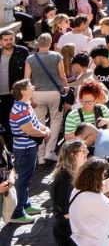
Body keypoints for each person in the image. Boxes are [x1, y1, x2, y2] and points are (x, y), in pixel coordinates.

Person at [8, 79, 48, 224]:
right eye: (30, 86)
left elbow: (35, 123)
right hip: (25, 149)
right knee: (23, 180)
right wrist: (44, 133)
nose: (33, 87)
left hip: (29, 147)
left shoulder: (25, 105)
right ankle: (17, 213)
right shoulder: (20, 108)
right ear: (23, 91)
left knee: (26, 178)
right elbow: (29, 129)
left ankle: (26, 204)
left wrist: (44, 128)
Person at [68, 158, 109, 246]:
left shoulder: (78, 189)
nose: (105, 177)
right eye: (105, 174)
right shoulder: (95, 200)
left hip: (81, 239)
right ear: (96, 178)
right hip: (99, 241)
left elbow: (105, 185)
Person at [25, 33, 68, 163]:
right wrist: (66, 87)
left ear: (38, 44)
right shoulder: (56, 56)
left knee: (39, 121)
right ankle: (50, 150)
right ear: (50, 44)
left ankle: (40, 155)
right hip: (54, 93)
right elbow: (62, 75)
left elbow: (26, 79)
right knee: (56, 119)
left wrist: (28, 96)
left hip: (37, 94)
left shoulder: (30, 59)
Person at [52, 139, 89, 246]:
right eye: (83, 151)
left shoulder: (77, 173)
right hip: (68, 231)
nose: (87, 153)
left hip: (74, 228)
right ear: (73, 155)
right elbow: (66, 211)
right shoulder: (64, 177)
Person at [0, 29, 29, 147]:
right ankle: (8, 148)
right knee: (3, 122)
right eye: (5, 40)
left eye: (11, 39)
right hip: (1, 95)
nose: (8, 42)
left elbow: (28, 72)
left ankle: (16, 147)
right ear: (1, 41)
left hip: (16, 94)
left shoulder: (22, 51)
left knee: (16, 122)